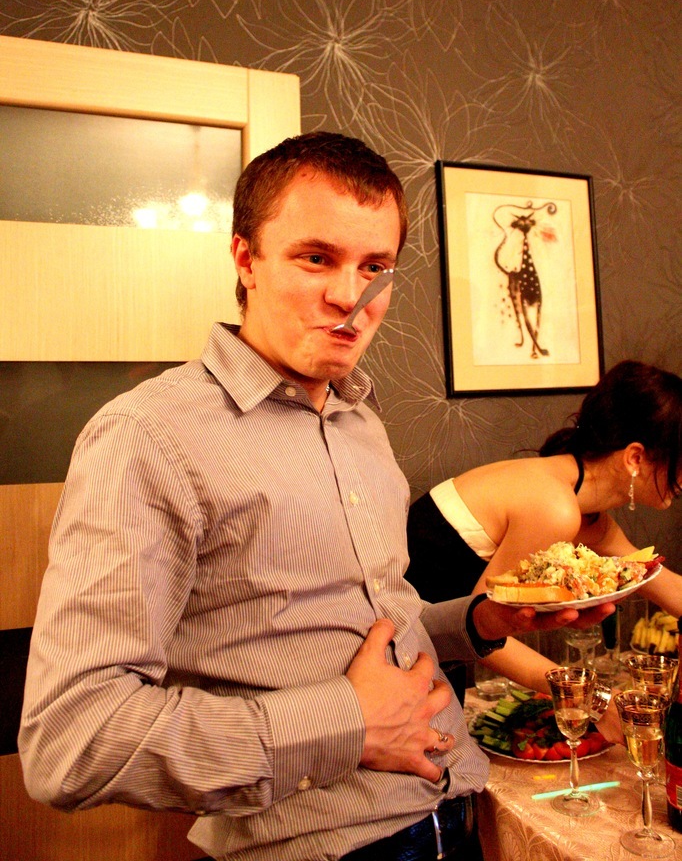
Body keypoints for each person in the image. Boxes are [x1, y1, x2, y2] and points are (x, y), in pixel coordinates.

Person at [19, 131, 612, 861]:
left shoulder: (359, 421)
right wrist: (345, 722)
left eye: (375, 267)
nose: (351, 297)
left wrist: (483, 620)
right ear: (246, 259)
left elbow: (361, 625)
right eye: (316, 258)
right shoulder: (147, 438)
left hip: (453, 814)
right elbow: (71, 741)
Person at [406, 360, 682, 707]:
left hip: (436, 648)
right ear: (635, 458)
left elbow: (656, 579)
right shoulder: (555, 508)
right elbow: (484, 629)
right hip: (407, 648)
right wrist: (587, 697)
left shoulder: (586, 512)